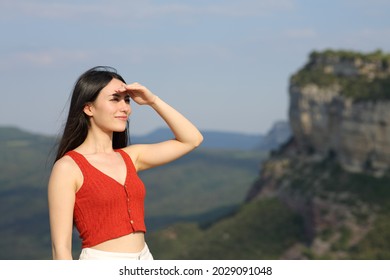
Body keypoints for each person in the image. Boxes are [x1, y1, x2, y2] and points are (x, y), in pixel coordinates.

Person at [48, 66, 203, 260]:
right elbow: (60, 249)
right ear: (88, 108)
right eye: (115, 99)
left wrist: (152, 100)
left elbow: (192, 139)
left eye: (127, 100)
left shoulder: (131, 156)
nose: (125, 108)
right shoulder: (68, 168)